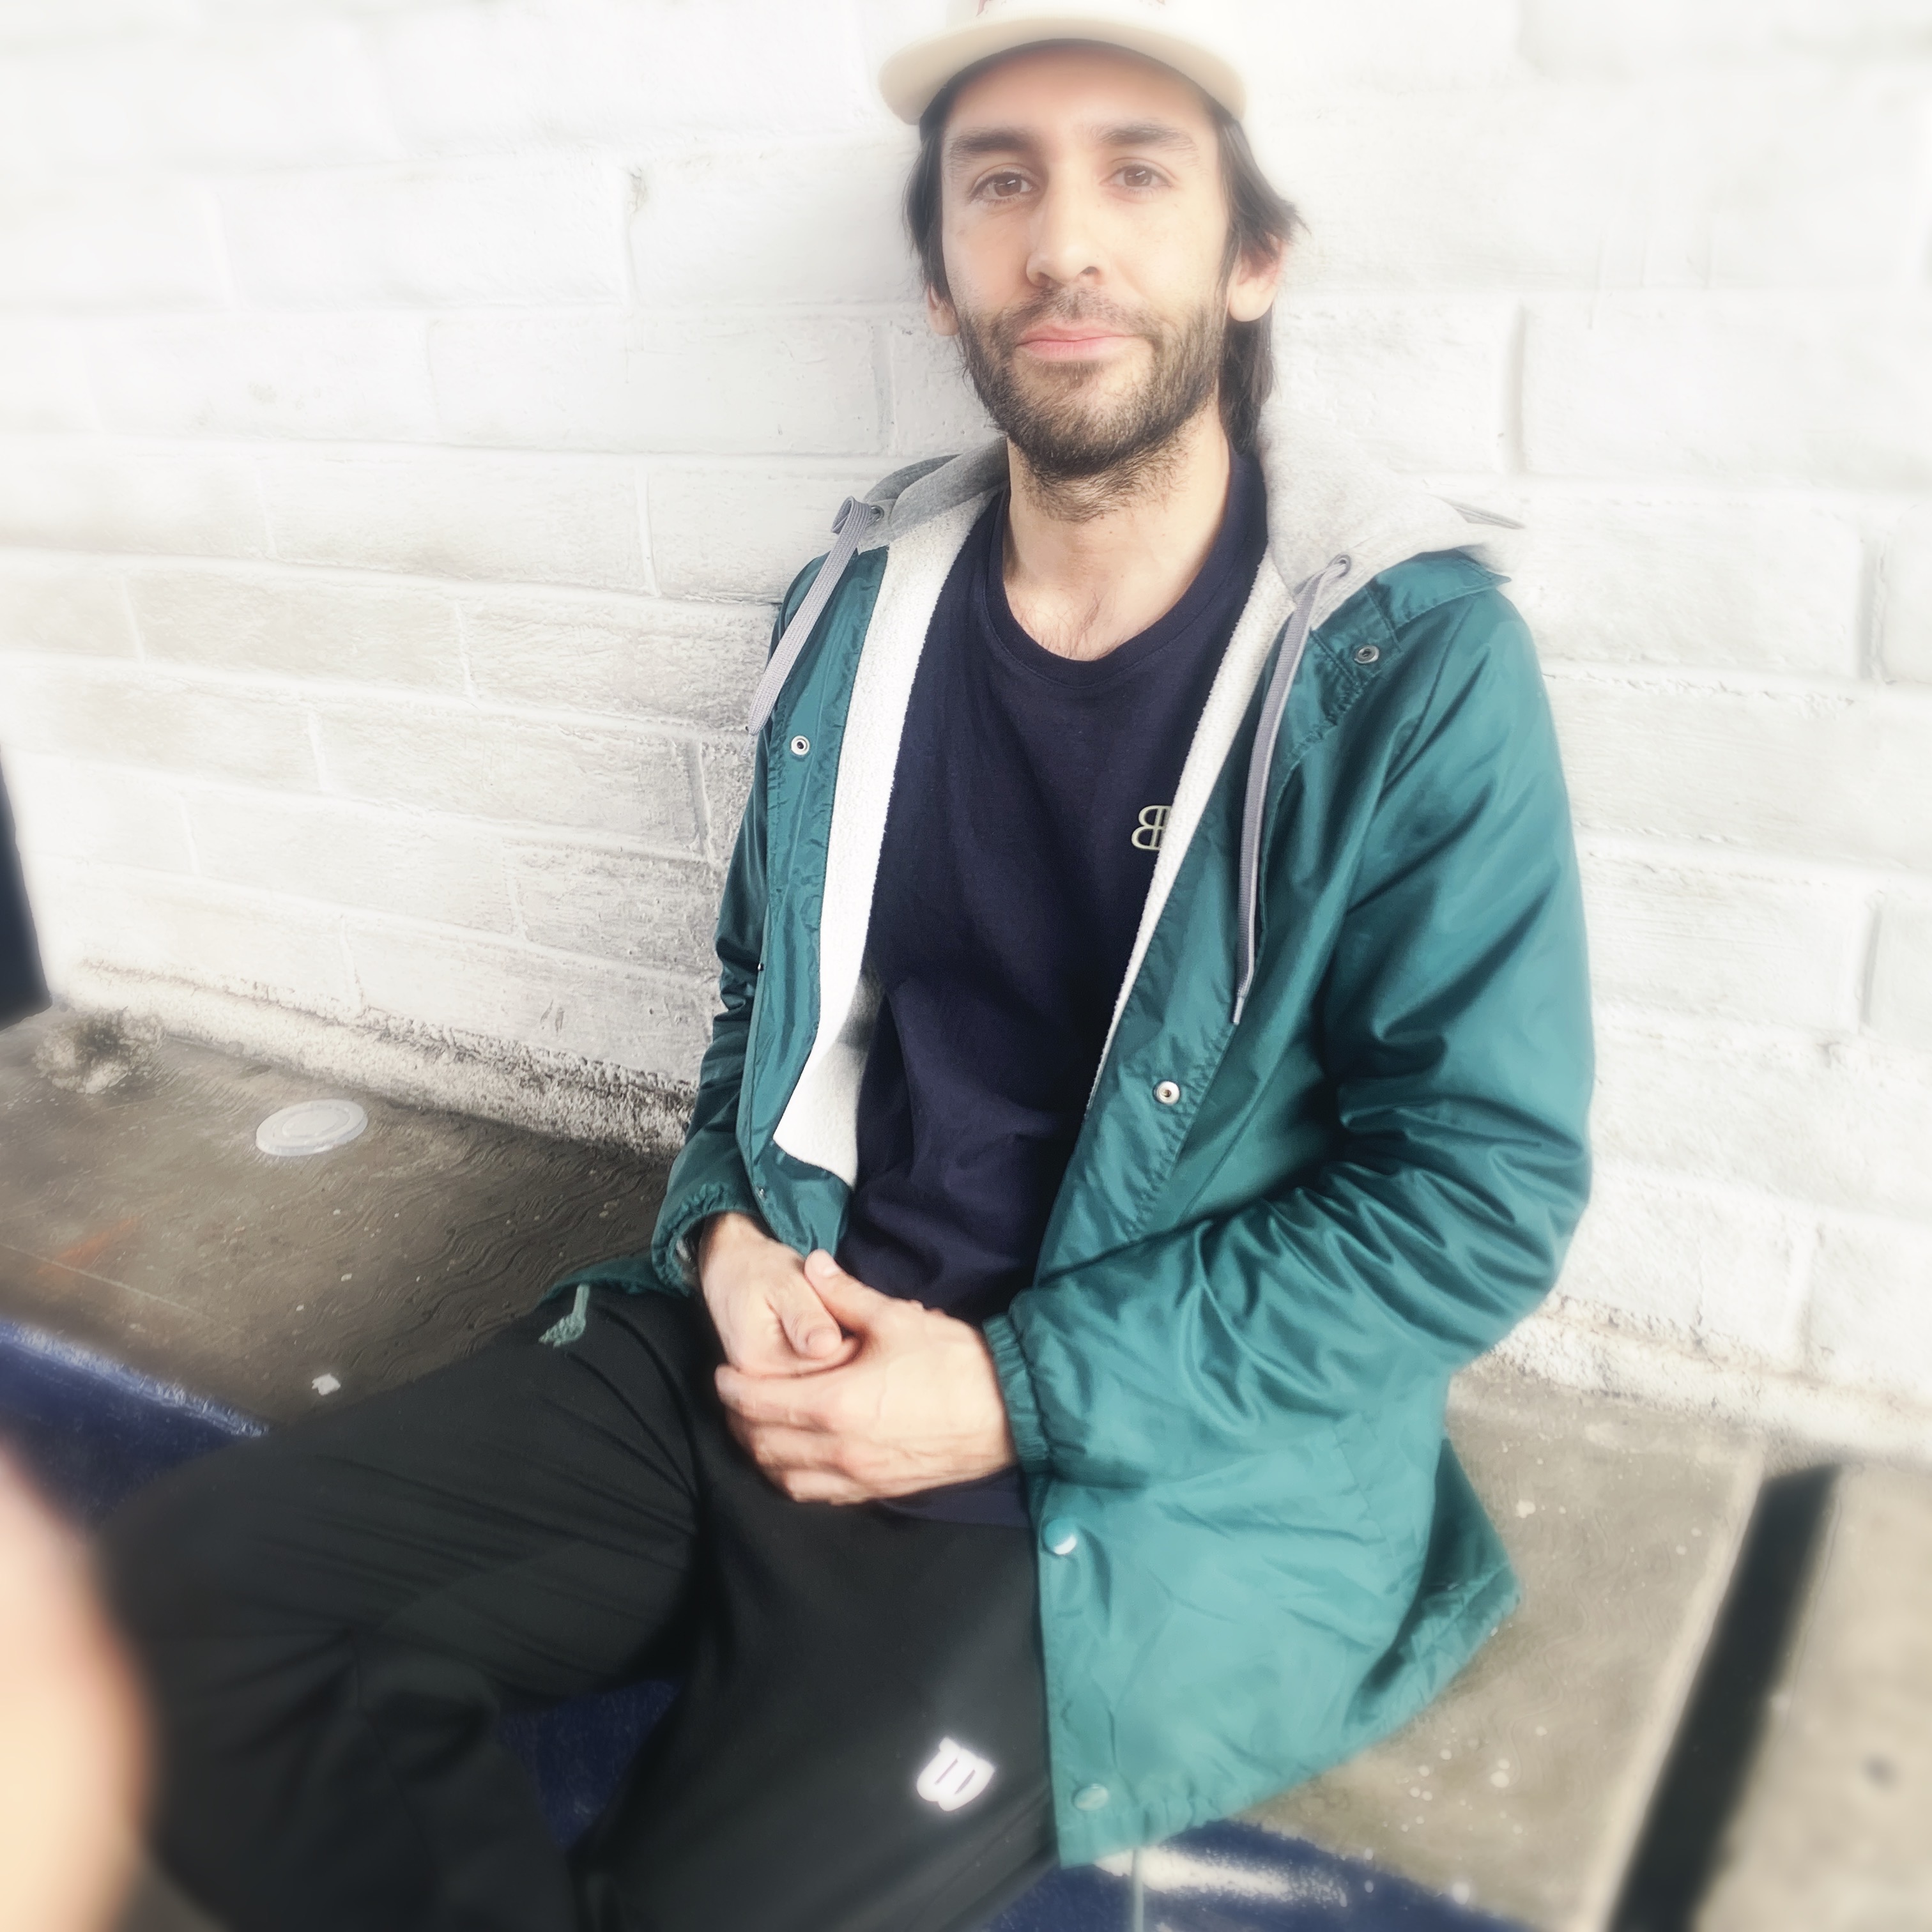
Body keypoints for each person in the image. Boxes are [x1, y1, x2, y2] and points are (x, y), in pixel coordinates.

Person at [100, 3, 1593, 1928]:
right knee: (162, 1617)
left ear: (1253, 257)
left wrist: (1009, 1392)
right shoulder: (854, 611)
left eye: (1138, 174)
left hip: (1080, 1488)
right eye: (1002, 185)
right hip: (758, 1337)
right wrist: (720, 1231)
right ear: (942, 280)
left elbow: (1472, 1198)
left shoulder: (1406, 666)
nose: (1065, 242)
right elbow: (761, 1000)